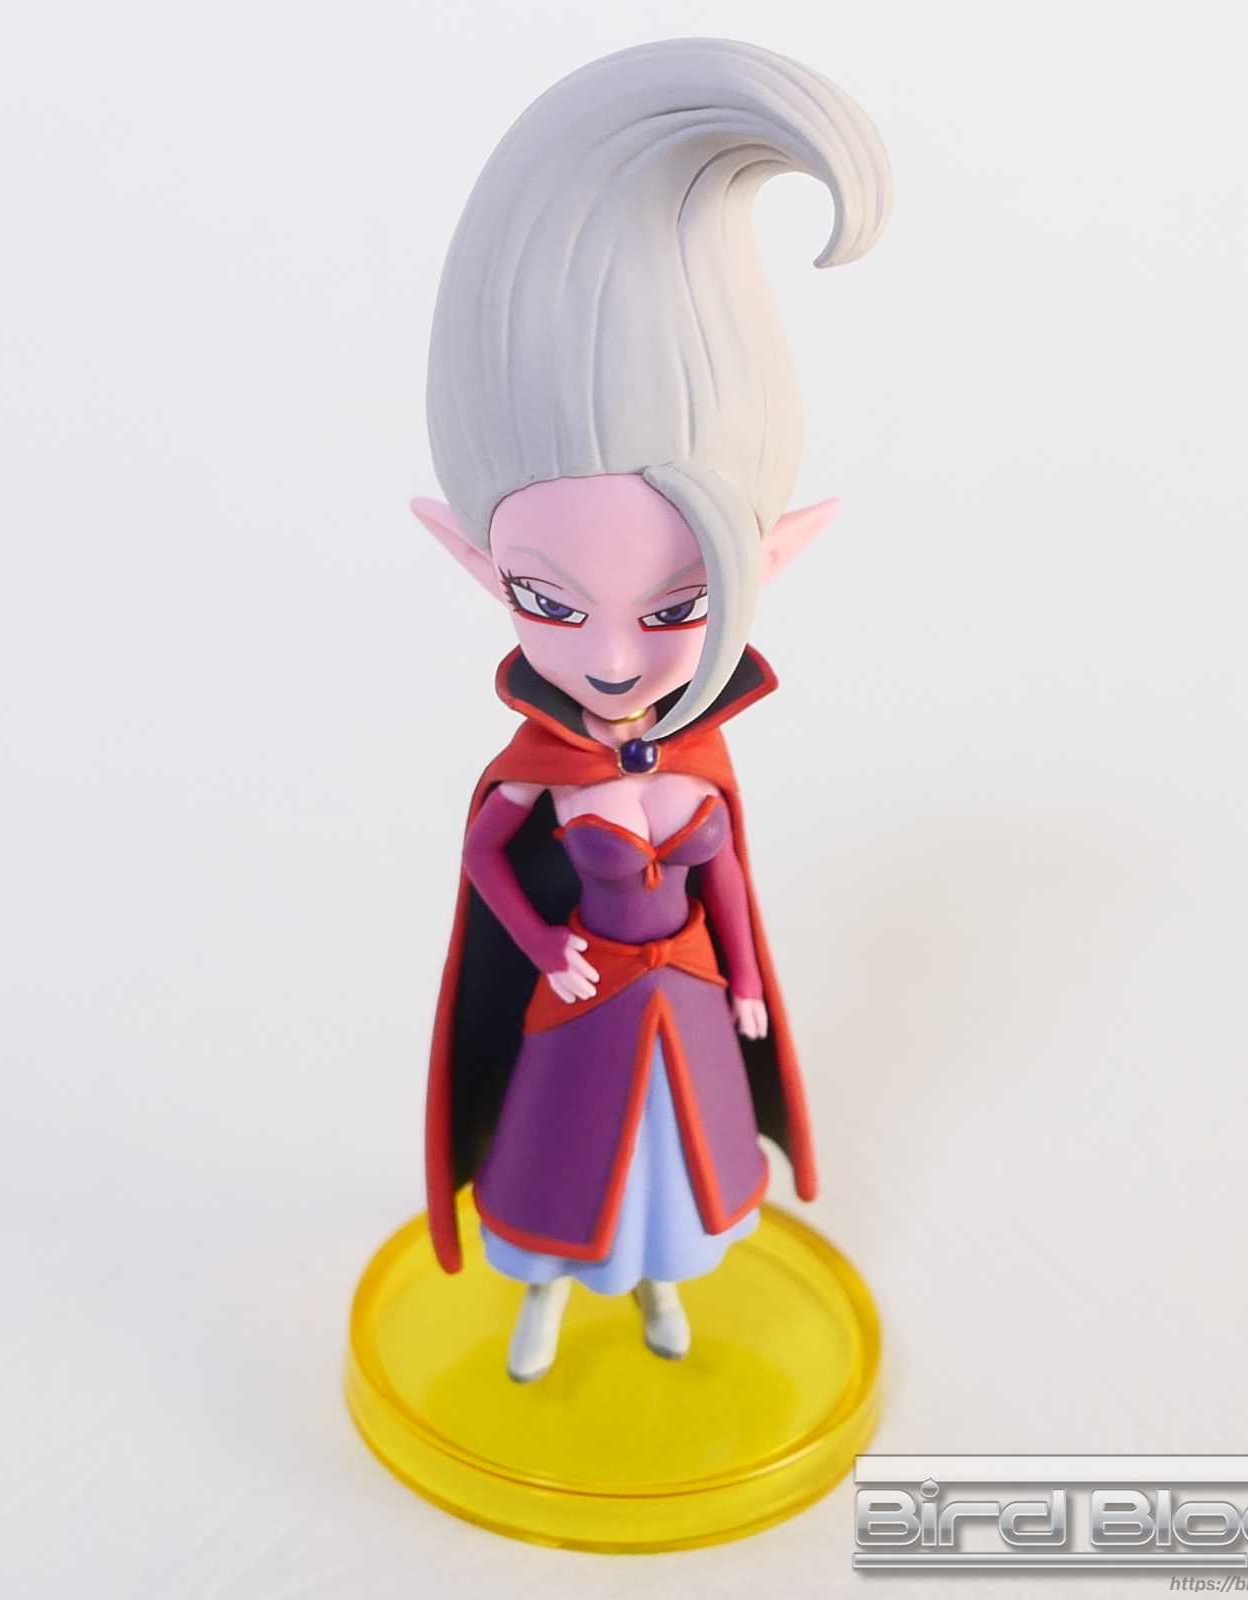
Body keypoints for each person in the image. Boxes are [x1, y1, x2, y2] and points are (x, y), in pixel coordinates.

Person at [413, 39, 892, 1382]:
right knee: (563, 1164)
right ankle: (545, 1302)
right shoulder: (544, 766)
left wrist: (741, 978)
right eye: (550, 602)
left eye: (681, 601)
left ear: (774, 556)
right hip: (585, 1008)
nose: (617, 663)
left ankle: (663, 1293)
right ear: (475, 563)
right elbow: (486, 857)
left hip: (677, 996)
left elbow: (725, 875)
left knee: (678, 1163)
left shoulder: (697, 767)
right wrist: (541, 945)